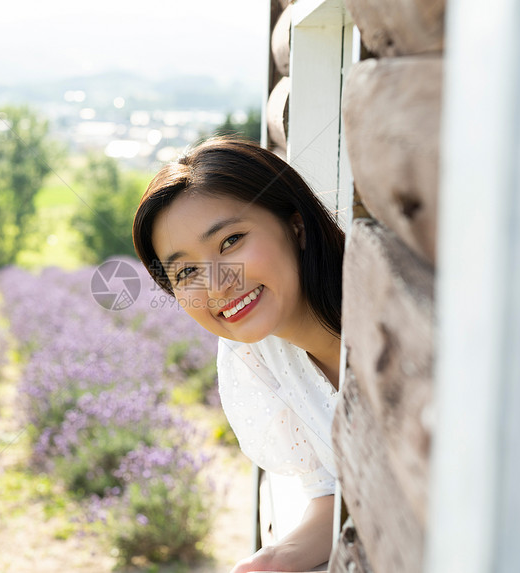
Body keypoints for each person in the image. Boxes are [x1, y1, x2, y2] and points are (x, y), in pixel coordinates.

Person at [132, 137, 344, 572]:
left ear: (296, 226)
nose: (216, 285)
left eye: (230, 242)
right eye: (186, 271)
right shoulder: (258, 357)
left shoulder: (398, 325)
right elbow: (335, 494)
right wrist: (271, 561)